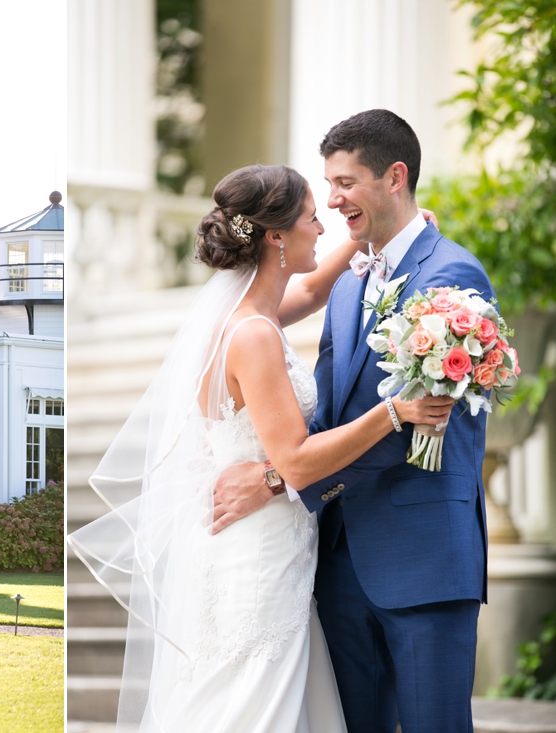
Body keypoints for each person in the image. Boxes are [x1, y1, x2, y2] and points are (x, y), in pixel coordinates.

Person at [67, 160, 455, 732]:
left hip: (258, 544)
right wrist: (393, 412)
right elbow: (295, 461)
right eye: (311, 219)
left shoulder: (247, 314)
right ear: (276, 235)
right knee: (251, 704)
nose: (323, 229)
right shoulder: (252, 334)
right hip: (258, 555)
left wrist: (398, 232)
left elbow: (318, 287)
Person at [210, 110, 493, 733]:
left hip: (423, 560)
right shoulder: (345, 284)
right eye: (326, 188)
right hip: (335, 565)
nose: (333, 201)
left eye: (344, 183)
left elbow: (428, 426)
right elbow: (336, 408)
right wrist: (283, 464)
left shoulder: (451, 278)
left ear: (395, 177)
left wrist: (281, 478)